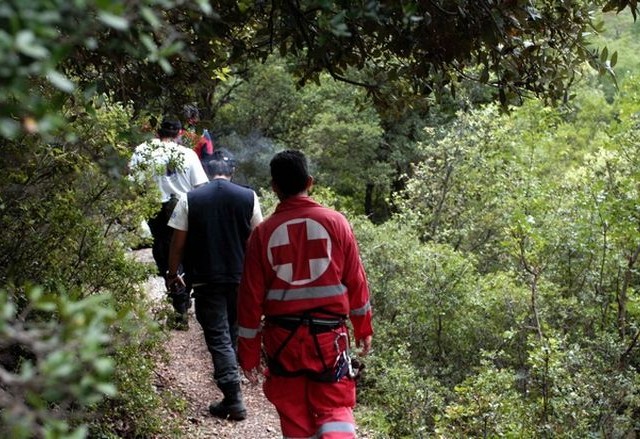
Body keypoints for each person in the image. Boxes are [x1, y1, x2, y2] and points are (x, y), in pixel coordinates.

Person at [237, 150, 373, 438]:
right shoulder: (336, 223)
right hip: (329, 341)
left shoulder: (262, 234)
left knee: (294, 414)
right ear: (310, 182)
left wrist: (248, 354)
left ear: (274, 187)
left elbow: (249, 301)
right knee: (335, 407)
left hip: (282, 342)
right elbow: (356, 282)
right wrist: (363, 328)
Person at [165, 149, 263, 421]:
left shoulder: (190, 198)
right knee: (231, 332)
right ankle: (231, 385)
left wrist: (174, 273)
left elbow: (178, 242)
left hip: (207, 278)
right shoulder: (248, 196)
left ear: (208, 172)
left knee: (218, 336)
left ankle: (233, 397)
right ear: (232, 172)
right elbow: (258, 238)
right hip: (241, 278)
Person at [129, 118, 208, 329]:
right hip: (183, 208)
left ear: (157, 132)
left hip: (155, 210)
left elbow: (133, 185)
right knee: (186, 252)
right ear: (179, 133)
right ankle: (183, 297)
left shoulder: (142, 151)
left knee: (165, 254)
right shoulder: (188, 154)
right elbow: (200, 186)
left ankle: (178, 303)